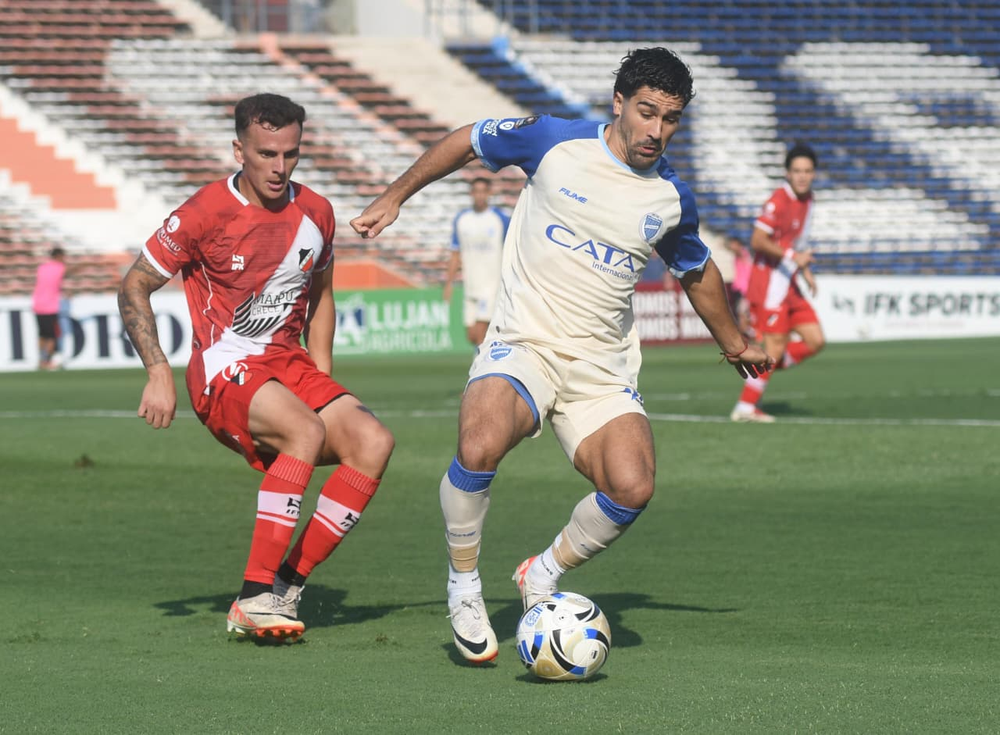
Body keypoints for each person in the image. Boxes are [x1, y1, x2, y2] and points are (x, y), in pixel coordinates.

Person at [351, 47, 772, 664]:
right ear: (618, 103)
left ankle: (542, 572)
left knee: (632, 487)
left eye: (671, 119)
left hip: (601, 367)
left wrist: (733, 342)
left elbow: (696, 268)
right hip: (525, 341)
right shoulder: (553, 141)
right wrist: (396, 196)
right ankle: (464, 585)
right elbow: (468, 140)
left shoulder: (670, 198)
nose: (657, 130)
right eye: (647, 112)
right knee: (480, 443)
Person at [117, 93, 395, 641]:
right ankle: (253, 597)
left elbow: (322, 297)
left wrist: (323, 377)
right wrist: (157, 371)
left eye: (291, 154)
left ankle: (286, 586)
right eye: (267, 153)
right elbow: (135, 285)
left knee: (374, 442)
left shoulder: (316, 212)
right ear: (238, 150)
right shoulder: (203, 212)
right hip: (224, 365)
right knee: (305, 431)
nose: (279, 166)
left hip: (288, 362)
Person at [730, 143, 825, 423]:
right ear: (787, 173)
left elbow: (799, 242)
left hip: (789, 283)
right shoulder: (778, 201)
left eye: (807, 171)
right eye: (797, 171)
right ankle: (745, 407)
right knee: (773, 348)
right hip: (769, 285)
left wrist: (804, 269)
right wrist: (794, 257)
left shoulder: (809, 200)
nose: (802, 176)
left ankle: (763, 368)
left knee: (815, 340)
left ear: (814, 174)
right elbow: (757, 240)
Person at [442, 176, 510, 347]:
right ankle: (485, 358)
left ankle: (480, 362)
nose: (480, 195)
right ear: (471, 194)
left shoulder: (500, 219)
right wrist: (449, 283)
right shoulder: (462, 219)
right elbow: (455, 253)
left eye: (483, 191)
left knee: (481, 332)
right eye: (476, 192)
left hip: (491, 285)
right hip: (471, 284)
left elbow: (511, 249)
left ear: (489, 193)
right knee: (471, 335)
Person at [32, 247, 67, 370]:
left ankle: (41, 360)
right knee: (52, 336)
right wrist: (86, 265)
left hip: (38, 305)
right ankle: (48, 361)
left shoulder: (42, 267)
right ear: (59, 256)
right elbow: (70, 272)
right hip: (50, 307)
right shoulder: (60, 267)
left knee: (42, 334)